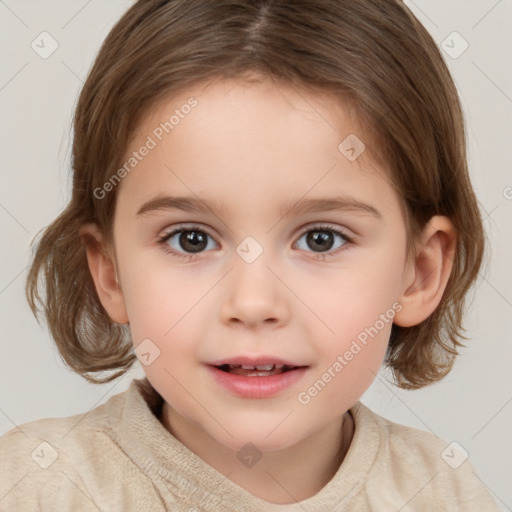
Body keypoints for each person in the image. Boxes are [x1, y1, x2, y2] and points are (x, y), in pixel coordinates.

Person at [0, 0, 501, 510]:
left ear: (418, 273)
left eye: (321, 239)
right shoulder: (35, 489)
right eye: (191, 239)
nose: (254, 302)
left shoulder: (444, 494)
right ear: (110, 273)